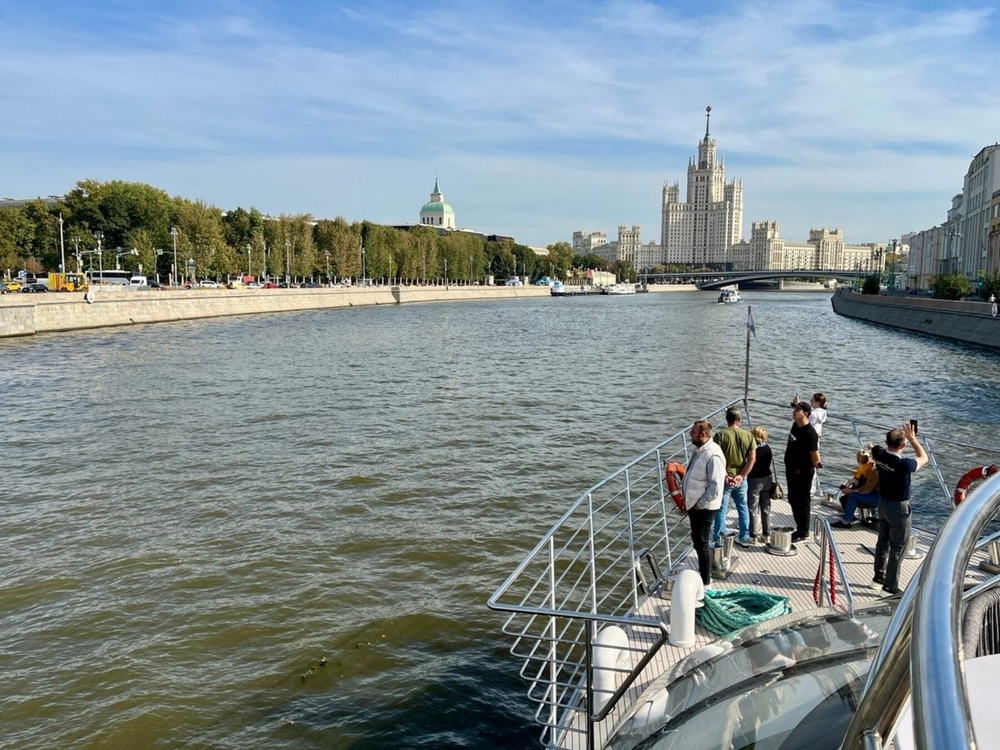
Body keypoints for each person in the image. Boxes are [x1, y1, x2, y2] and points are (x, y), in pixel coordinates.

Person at [871, 422, 928, 596]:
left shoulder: (879, 455)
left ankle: (878, 578)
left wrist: (905, 438)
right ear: (903, 445)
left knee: (883, 541)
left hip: (883, 504)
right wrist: (913, 439)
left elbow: (875, 449)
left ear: (886, 441)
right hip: (899, 509)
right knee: (898, 547)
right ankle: (890, 588)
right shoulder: (904, 465)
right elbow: (924, 458)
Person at [681, 420, 726, 586]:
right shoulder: (699, 450)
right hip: (695, 506)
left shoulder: (713, 455)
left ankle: (706, 581)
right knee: (698, 540)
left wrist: (700, 504)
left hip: (704, 508)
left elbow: (716, 486)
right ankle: (704, 576)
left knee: (702, 543)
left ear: (703, 434)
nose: (690, 434)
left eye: (693, 432)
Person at [711, 407, 757, 548]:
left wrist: (726, 476)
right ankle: (744, 537)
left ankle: (719, 538)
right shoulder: (749, 436)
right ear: (739, 420)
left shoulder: (720, 435)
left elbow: (716, 458)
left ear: (727, 419)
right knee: (743, 508)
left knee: (720, 509)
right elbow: (752, 459)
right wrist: (741, 476)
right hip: (741, 480)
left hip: (724, 480)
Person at [784, 401, 821, 542]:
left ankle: (803, 531)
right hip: (791, 469)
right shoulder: (795, 425)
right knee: (792, 498)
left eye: (797, 409)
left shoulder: (810, 433)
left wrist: (815, 464)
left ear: (805, 413)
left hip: (803, 472)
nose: (794, 411)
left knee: (802, 501)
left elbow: (815, 456)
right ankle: (799, 526)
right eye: (794, 408)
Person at [831, 449, 880, 528]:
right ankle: (875, 516)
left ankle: (846, 521)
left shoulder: (874, 470)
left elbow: (867, 489)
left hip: (880, 498)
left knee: (853, 496)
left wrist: (850, 490)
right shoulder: (885, 468)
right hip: (885, 497)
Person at [746, 426, 774, 544]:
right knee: (766, 508)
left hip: (754, 480)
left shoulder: (753, 449)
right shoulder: (768, 448)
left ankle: (753, 535)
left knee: (753, 508)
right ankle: (766, 534)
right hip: (767, 479)